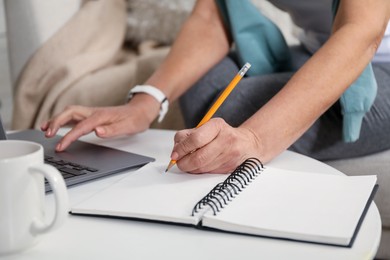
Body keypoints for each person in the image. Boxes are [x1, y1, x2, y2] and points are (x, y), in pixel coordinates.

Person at [41, 0, 390, 174]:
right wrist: (145, 102)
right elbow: (211, 16)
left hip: (374, 61)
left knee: (237, 111)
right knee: (206, 83)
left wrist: (254, 138)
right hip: (317, 49)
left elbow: (360, 32)